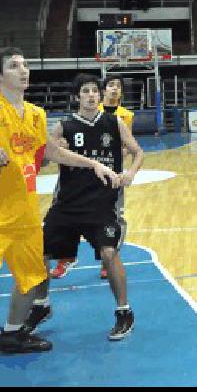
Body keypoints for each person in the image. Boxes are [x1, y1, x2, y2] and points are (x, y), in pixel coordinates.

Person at [0, 48, 120, 354]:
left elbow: (50, 153)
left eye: (25, 64)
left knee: (31, 277)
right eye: (14, 66)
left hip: (23, 212)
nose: (24, 70)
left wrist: (93, 164)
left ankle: (12, 335)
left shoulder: (37, 115)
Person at [23, 74, 144, 341]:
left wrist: (131, 173)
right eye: (85, 91)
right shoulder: (63, 126)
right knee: (40, 253)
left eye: (94, 91)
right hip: (67, 203)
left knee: (109, 252)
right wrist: (50, 152)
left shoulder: (115, 123)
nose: (91, 95)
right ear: (76, 97)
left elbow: (138, 151)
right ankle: (41, 304)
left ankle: (124, 311)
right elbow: (43, 160)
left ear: (100, 96)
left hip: (102, 203)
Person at [50, 75, 136, 280]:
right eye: (110, 86)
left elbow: (130, 147)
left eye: (118, 86)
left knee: (113, 219)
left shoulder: (123, 117)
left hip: (107, 180)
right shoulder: (67, 124)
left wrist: (126, 168)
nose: (113, 89)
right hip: (74, 181)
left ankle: (109, 259)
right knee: (63, 218)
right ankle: (65, 257)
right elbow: (47, 154)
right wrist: (58, 148)